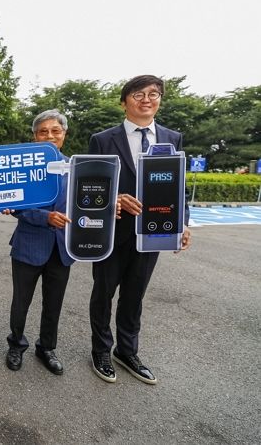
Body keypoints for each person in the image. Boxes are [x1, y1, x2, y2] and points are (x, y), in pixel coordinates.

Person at [88, 75, 191, 384]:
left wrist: (182, 223)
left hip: (153, 232)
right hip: (112, 232)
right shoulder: (103, 139)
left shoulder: (171, 139)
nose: (147, 99)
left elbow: (179, 187)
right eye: (138, 94)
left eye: (154, 94)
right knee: (103, 293)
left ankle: (127, 351)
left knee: (135, 294)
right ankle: (101, 350)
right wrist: (113, 199)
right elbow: (90, 184)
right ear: (124, 102)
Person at [5, 110, 74, 375]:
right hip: (29, 245)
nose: (50, 136)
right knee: (21, 301)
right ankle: (15, 345)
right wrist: (46, 218)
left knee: (53, 302)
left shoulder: (75, 168)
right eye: (43, 131)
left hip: (62, 248)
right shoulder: (23, 169)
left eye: (55, 131)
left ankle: (47, 348)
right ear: (34, 137)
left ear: (64, 136)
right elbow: (17, 207)